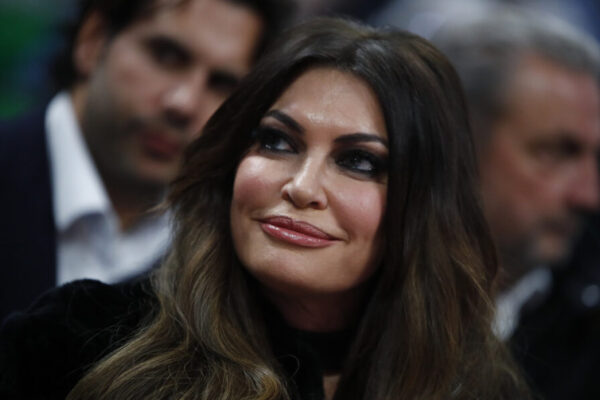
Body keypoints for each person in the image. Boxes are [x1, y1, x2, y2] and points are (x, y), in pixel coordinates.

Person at [0, 18, 530, 400]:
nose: (301, 186)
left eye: (359, 162)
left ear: (423, 208)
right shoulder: (76, 341)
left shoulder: (481, 386)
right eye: (277, 142)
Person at [0, 0, 294, 320]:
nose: (184, 103)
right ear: (93, 39)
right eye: (166, 56)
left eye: (222, 83)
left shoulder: (225, 257)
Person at [433, 7, 600, 399]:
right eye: (557, 152)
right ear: (456, 139)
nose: (589, 196)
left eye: (598, 159)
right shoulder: (338, 294)